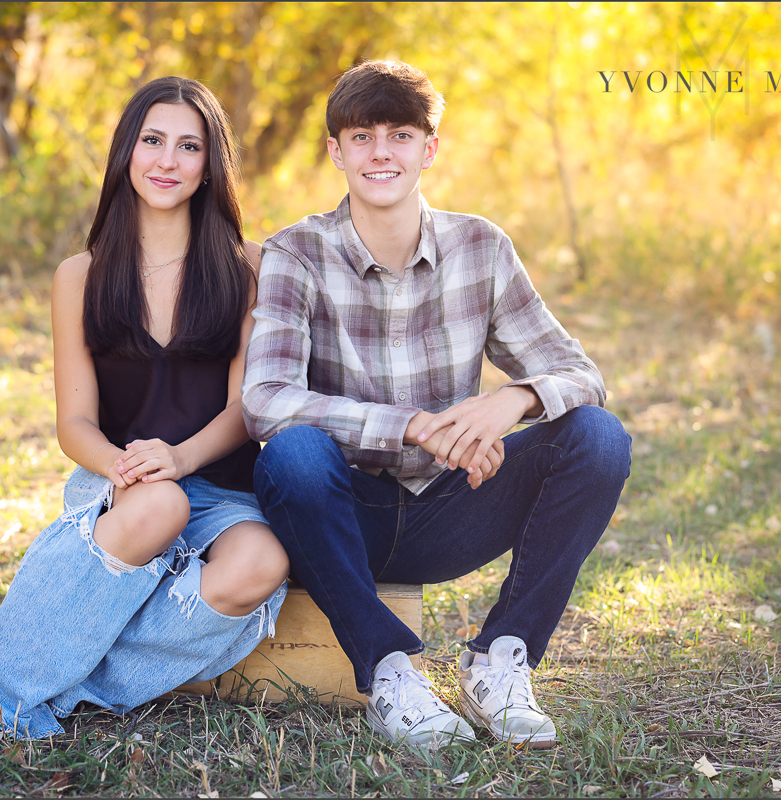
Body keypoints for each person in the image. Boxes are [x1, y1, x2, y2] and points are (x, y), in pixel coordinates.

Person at [242, 60, 631, 750]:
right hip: (339, 515)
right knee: (294, 452)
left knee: (598, 437)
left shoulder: (479, 246)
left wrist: (510, 400)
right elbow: (266, 401)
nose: (381, 153)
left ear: (430, 148)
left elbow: (579, 373)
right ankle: (390, 671)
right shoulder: (295, 253)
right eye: (361, 137)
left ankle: (499, 659)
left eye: (400, 134)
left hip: (451, 507)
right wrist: (416, 426)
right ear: (335, 152)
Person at [0, 76, 290, 740]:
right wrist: (126, 469)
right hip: (124, 485)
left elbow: (248, 407)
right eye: (152, 141)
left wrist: (179, 458)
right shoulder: (81, 275)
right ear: (127, 151)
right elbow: (75, 424)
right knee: (160, 504)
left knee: (261, 564)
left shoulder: (249, 266)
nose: (167, 161)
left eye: (189, 147)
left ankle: (62, 691)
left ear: (211, 167)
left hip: (221, 481)